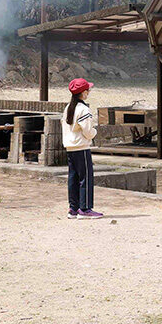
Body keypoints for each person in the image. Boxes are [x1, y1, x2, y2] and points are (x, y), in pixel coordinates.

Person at [63, 77, 101, 219]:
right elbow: (88, 132)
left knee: (73, 178)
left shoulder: (68, 108)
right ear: (83, 93)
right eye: (88, 90)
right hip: (81, 148)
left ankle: (73, 208)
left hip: (70, 147)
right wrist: (94, 132)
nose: (89, 92)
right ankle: (85, 209)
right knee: (86, 178)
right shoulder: (84, 109)